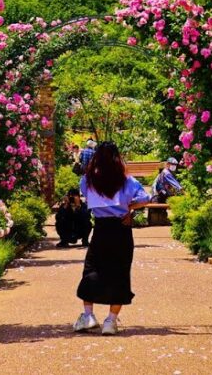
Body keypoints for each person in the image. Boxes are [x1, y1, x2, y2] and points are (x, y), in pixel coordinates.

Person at [73, 141, 151, 335]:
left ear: (96, 158)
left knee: (92, 269)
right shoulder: (127, 181)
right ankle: (111, 321)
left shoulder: (88, 180)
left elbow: (85, 194)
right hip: (121, 229)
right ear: (118, 158)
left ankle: (88, 315)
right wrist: (129, 208)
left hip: (100, 229)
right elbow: (145, 198)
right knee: (119, 272)